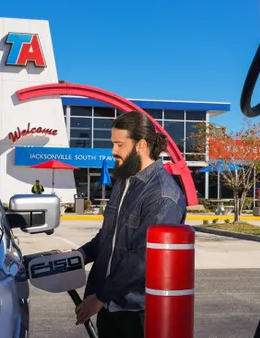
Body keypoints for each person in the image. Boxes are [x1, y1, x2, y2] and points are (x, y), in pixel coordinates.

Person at [68, 111, 187, 338]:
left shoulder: (162, 195)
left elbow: (144, 258)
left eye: (119, 144)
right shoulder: (124, 182)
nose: (113, 151)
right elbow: (107, 236)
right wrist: (79, 255)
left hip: (138, 310)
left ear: (141, 145)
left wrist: (101, 296)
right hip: (110, 304)